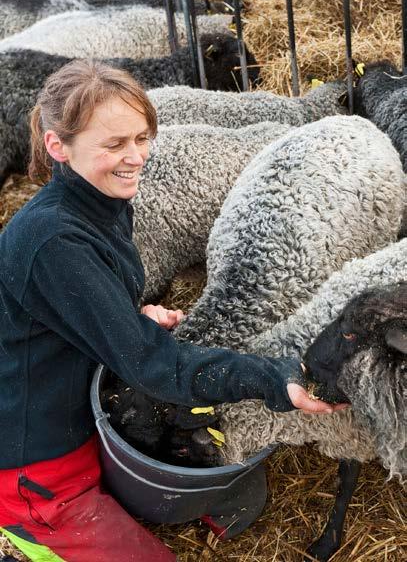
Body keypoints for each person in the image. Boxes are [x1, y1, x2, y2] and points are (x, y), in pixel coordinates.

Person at [0, 60, 346, 562]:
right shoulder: (55, 240)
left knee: (199, 473)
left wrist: (128, 317)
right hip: (36, 467)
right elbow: (155, 367)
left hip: (84, 411)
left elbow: (73, 313)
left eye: (141, 138)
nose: (136, 156)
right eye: (114, 144)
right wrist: (276, 380)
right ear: (58, 146)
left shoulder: (98, 203)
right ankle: (29, 540)